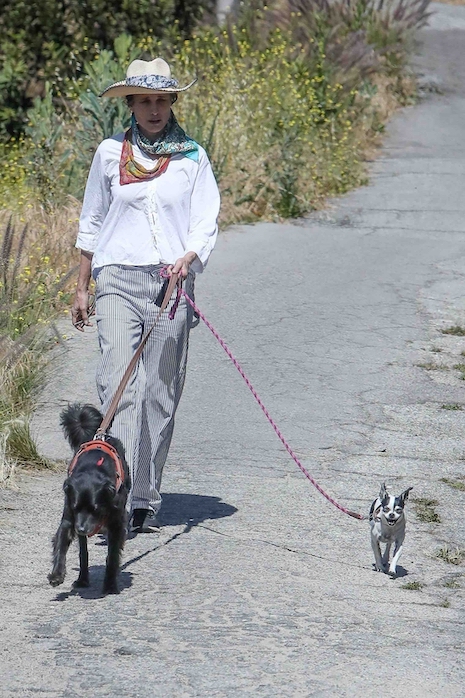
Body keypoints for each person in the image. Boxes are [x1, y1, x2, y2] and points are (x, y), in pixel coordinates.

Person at [71, 57, 220, 533]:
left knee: (158, 391)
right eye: (144, 101)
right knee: (118, 381)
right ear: (130, 104)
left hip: (171, 284)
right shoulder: (109, 153)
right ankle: (112, 490)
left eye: (161, 100)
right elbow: (92, 220)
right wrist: (81, 285)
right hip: (115, 277)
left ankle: (144, 497)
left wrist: (190, 256)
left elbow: (205, 219)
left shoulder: (192, 157)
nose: (153, 109)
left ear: (171, 102)